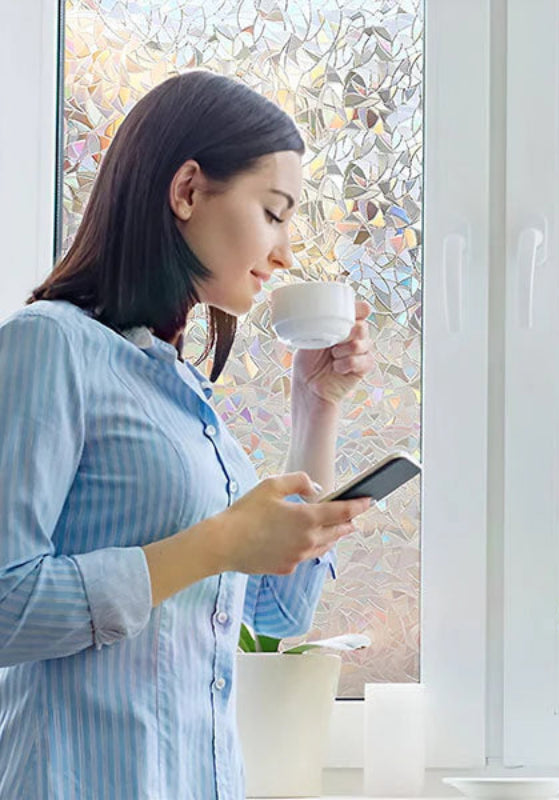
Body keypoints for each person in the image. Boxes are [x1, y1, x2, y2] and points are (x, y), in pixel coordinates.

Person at [0, 70, 375, 799]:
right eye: (274, 212)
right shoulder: (50, 346)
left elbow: (271, 610)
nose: (288, 250)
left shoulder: (176, 390)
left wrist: (314, 407)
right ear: (188, 191)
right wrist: (219, 543)